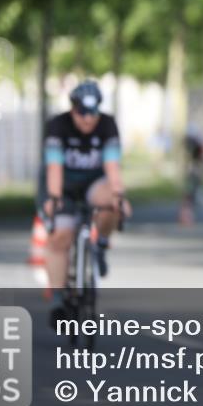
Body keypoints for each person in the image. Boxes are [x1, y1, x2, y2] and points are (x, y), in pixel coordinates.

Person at [41, 80, 131, 323]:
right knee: (61, 235)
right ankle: (58, 299)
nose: (88, 119)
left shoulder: (107, 124)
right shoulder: (58, 125)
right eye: (83, 113)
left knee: (113, 202)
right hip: (62, 184)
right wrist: (54, 198)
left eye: (93, 113)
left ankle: (100, 243)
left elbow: (112, 167)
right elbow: (54, 167)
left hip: (92, 182)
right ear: (73, 110)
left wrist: (119, 194)